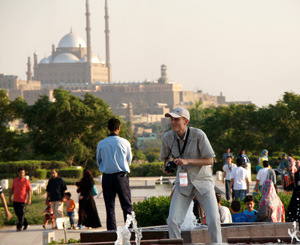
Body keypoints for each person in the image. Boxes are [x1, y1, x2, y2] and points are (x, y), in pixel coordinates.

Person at [160, 107, 222, 243]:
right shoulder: (168, 137)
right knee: (172, 221)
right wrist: (166, 166)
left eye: (176, 119)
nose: (173, 122)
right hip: (183, 185)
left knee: (213, 219)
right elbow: (164, 158)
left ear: (186, 121)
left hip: (203, 182)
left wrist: (188, 161)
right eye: (171, 119)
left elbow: (211, 160)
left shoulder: (198, 135)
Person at [96, 118, 133, 231]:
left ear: (108, 128)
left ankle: (111, 232)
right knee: (127, 206)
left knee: (110, 208)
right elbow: (129, 160)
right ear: (119, 128)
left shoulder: (101, 143)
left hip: (107, 177)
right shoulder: (124, 142)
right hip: (121, 177)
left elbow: (99, 161)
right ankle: (130, 230)